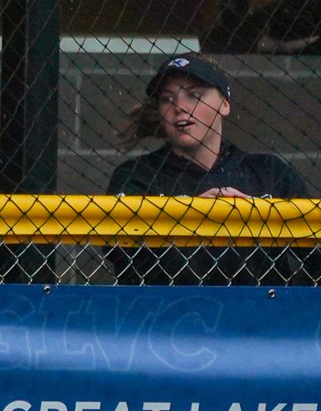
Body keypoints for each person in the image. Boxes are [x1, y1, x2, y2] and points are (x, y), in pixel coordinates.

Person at [104, 53, 313, 286]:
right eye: (167, 99)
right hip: (166, 316)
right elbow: (118, 253)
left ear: (224, 104)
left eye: (194, 95)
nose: (180, 107)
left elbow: (315, 257)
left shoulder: (270, 173)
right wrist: (190, 217)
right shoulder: (137, 175)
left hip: (259, 317)